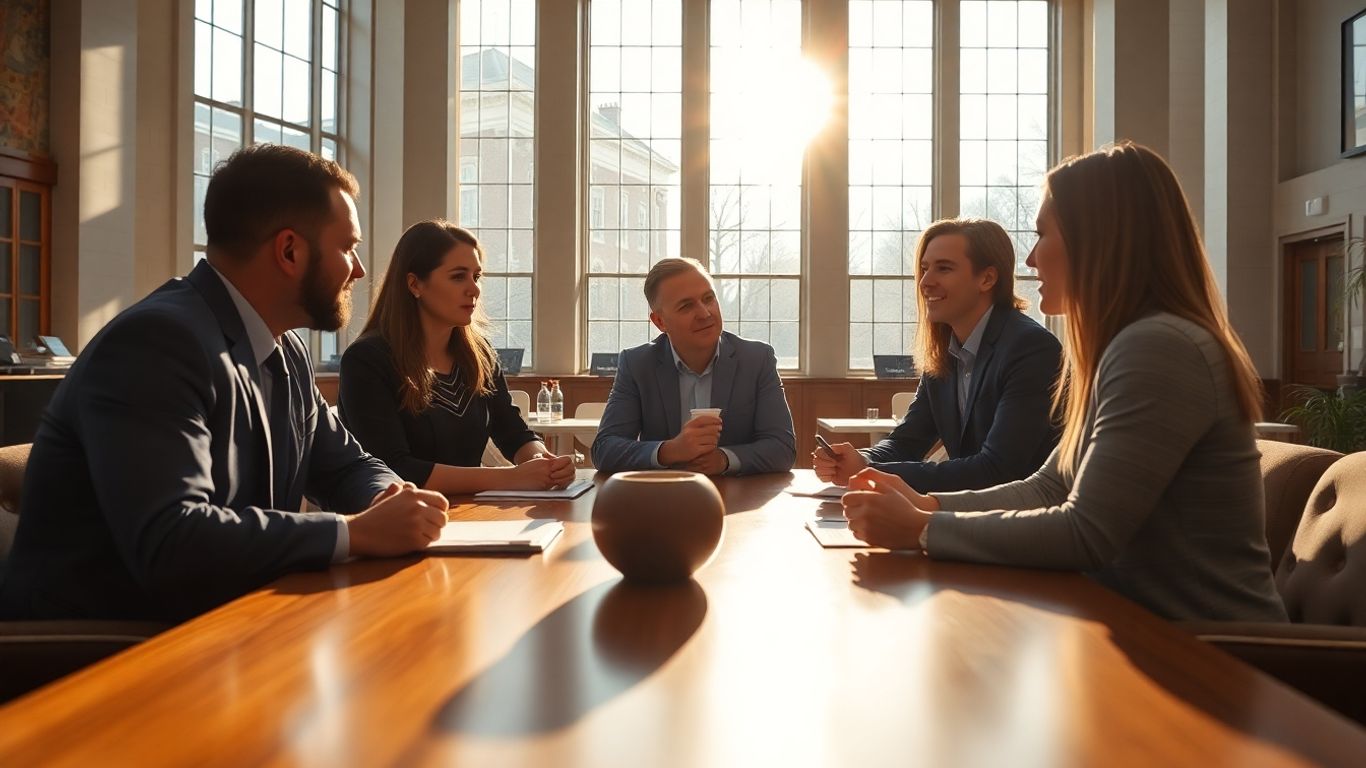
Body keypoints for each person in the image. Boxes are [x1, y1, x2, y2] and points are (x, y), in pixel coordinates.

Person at [0, 144, 450, 623]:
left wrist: (389, 498)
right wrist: (354, 533)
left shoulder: (287, 350)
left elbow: (343, 466)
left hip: (223, 624)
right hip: (101, 653)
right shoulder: (155, 342)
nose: (359, 270)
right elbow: (174, 539)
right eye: (349, 248)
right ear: (290, 250)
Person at [841, 142, 1287, 622]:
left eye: (1041, 236)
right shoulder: (1120, 346)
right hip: (1132, 624)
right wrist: (925, 502)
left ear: (1097, 240)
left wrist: (923, 529)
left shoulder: (1159, 347)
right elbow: (1048, 489)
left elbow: (1087, 531)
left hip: (1210, 655)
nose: (1030, 260)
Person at [812, 218, 1061, 492]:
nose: (925, 282)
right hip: (969, 517)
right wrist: (862, 458)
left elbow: (998, 469)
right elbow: (906, 441)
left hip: (1023, 524)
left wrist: (869, 471)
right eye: (924, 268)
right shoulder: (944, 353)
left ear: (987, 278)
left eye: (943, 268)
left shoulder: (1031, 348)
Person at [339, 220, 575, 494]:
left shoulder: (480, 355)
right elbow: (394, 467)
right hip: (400, 520)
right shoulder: (366, 360)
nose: (474, 289)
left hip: (472, 514)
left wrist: (544, 462)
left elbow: (513, 432)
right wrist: (511, 478)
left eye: (476, 276)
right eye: (458, 276)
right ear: (415, 284)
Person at [592, 257, 796, 475]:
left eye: (708, 299)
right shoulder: (637, 364)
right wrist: (669, 451)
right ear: (660, 321)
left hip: (738, 498)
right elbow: (605, 449)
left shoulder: (757, 359)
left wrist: (723, 459)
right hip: (662, 498)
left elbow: (782, 448)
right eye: (686, 306)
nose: (705, 313)